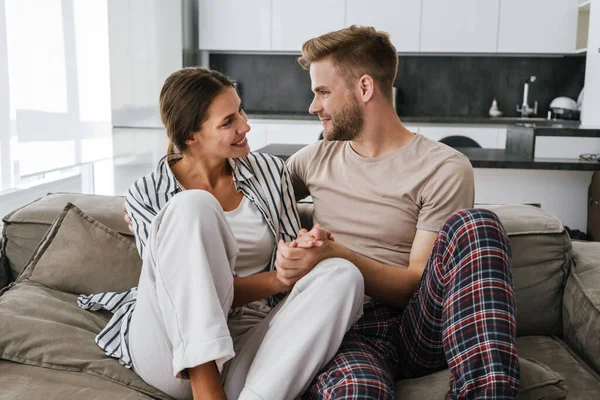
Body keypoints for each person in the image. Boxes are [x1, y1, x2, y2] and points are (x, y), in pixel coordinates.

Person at [77, 67, 364, 400]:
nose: (245, 125)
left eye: (240, 110)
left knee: (343, 274)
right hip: (171, 347)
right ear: (190, 137)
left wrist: (302, 254)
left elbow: (291, 267)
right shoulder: (148, 194)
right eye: (228, 122)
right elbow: (179, 293)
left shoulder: (270, 172)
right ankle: (206, 385)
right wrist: (277, 279)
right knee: (194, 205)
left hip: (249, 335)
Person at [274, 26, 520, 399]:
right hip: (345, 329)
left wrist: (338, 256)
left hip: (416, 327)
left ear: (365, 88)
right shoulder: (311, 160)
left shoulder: (444, 168)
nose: (313, 107)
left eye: (323, 92)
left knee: (477, 224)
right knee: (359, 389)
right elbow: (250, 201)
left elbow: (412, 287)